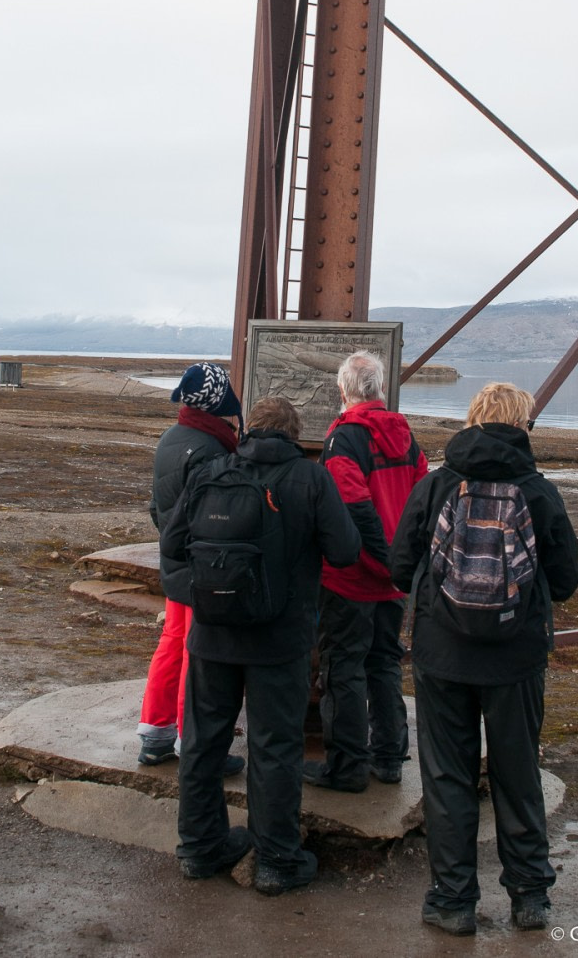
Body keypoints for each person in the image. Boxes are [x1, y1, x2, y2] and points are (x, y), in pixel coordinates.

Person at [390, 382, 578, 935]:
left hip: (441, 655)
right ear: (523, 425)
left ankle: (452, 903)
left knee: (447, 776)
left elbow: (400, 566)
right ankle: (529, 899)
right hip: (515, 660)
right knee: (517, 772)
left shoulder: (436, 485)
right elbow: (566, 581)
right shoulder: (539, 492)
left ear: (472, 419)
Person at [160, 395, 361, 894]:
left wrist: (207, 587)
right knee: (276, 748)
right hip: (281, 639)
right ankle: (276, 861)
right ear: (293, 433)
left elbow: (171, 544)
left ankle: (199, 849)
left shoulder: (211, 471)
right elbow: (345, 550)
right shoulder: (311, 478)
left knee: (205, 743)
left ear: (249, 428)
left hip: (212, 636)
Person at [304, 350, 428, 793]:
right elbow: (419, 506)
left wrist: (382, 562)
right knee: (384, 663)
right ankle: (390, 756)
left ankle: (348, 767)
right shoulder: (405, 435)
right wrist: (401, 566)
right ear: (379, 389)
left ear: (343, 390)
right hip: (394, 581)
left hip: (354, 579)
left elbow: (354, 509)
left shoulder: (344, 439)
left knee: (344, 670)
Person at [136, 361, 245, 776]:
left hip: (175, 560)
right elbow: (210, 514)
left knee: (173, 643)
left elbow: (157, 507)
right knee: (196, 652)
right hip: (202, 565)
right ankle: (193, 743)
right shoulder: (211, 449)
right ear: (218, 401)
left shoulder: (171, 439)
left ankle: (156, 735)